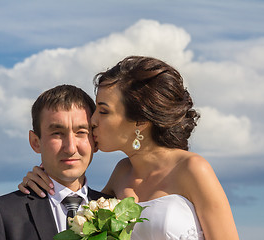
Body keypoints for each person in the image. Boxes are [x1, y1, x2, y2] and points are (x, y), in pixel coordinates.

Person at [19, 56, 240, 240]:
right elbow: (76, 207)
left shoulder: (193, 169)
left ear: (140, 121)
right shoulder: (121, 173)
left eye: (103, 111)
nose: (92, 120)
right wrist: (42, 180)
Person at [0, 85, 111, 240]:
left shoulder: (115, 210)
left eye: (81, 132)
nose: (71, 148)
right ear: (35, 142)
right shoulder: (3, 214)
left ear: (95, 139)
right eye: (57, 133)